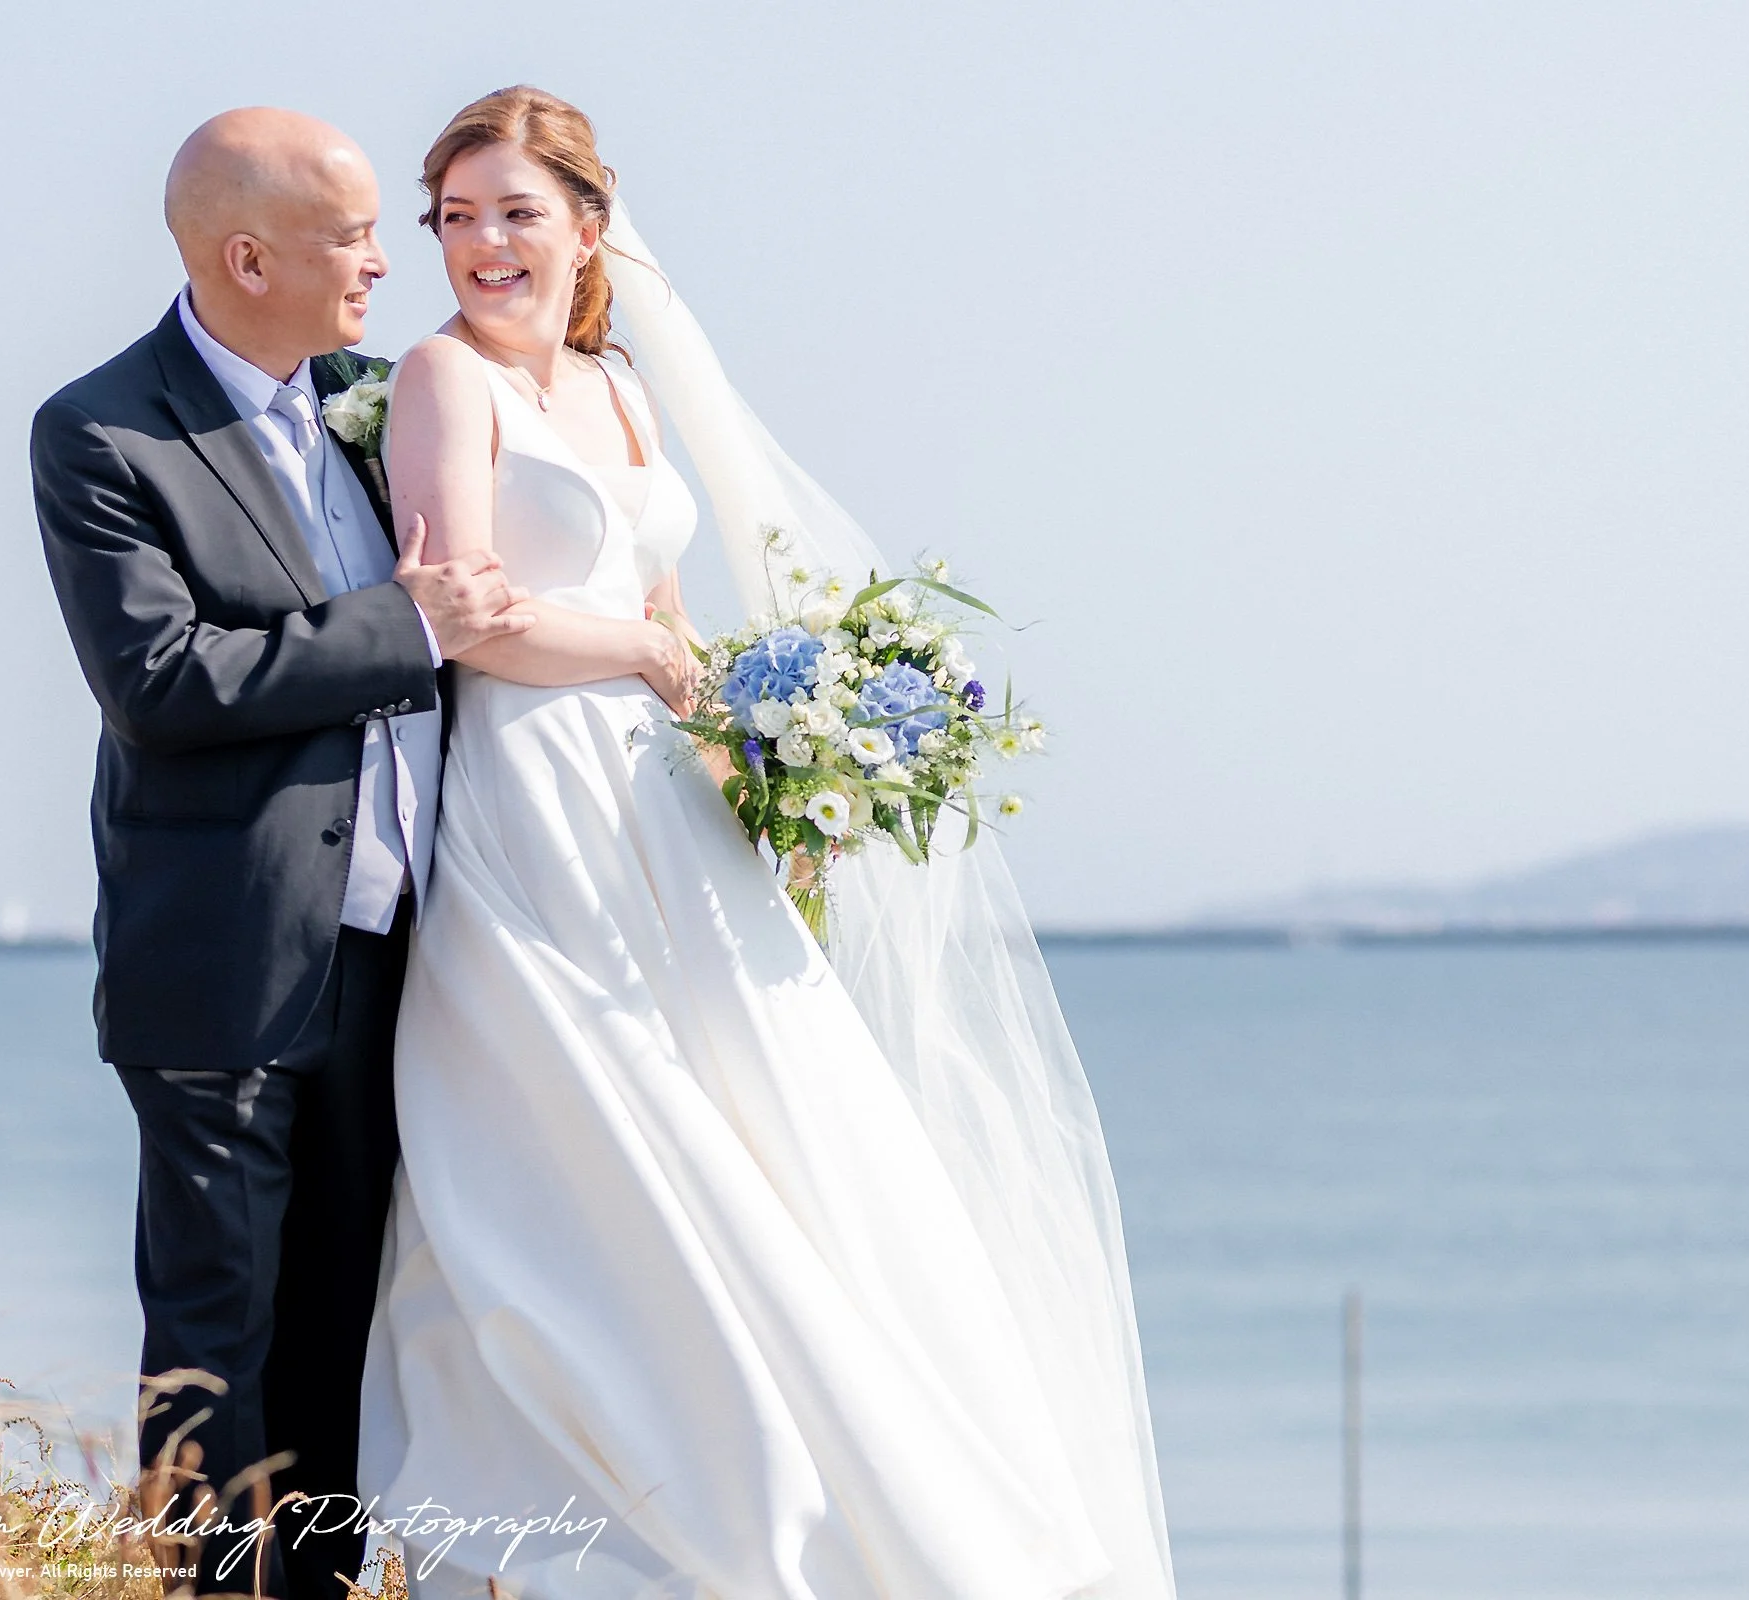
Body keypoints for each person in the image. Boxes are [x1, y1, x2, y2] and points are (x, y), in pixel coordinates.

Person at [354, 87, 1176, 1597]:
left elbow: (667, 609)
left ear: (588, 227)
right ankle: (644, 1480)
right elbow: (467, 616)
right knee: (596, 1125)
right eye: (457, 217)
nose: (483, 245)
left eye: (516, 212)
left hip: (664, 797)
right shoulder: (438, 379)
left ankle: (847, 1476)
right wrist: (648, 660)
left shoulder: (618, 390)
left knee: (771, 1119)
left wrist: (750, 757)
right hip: (535, 797)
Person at [31, 108, 532, 1600]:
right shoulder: (102, 430)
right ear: (250, 256)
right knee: (213, 1343)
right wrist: (409, 624)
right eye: (355, 236)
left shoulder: (386, 400)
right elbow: (165, 684)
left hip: (397, 954)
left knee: (335, 1331)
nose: (392, 261)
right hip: (223, 965)